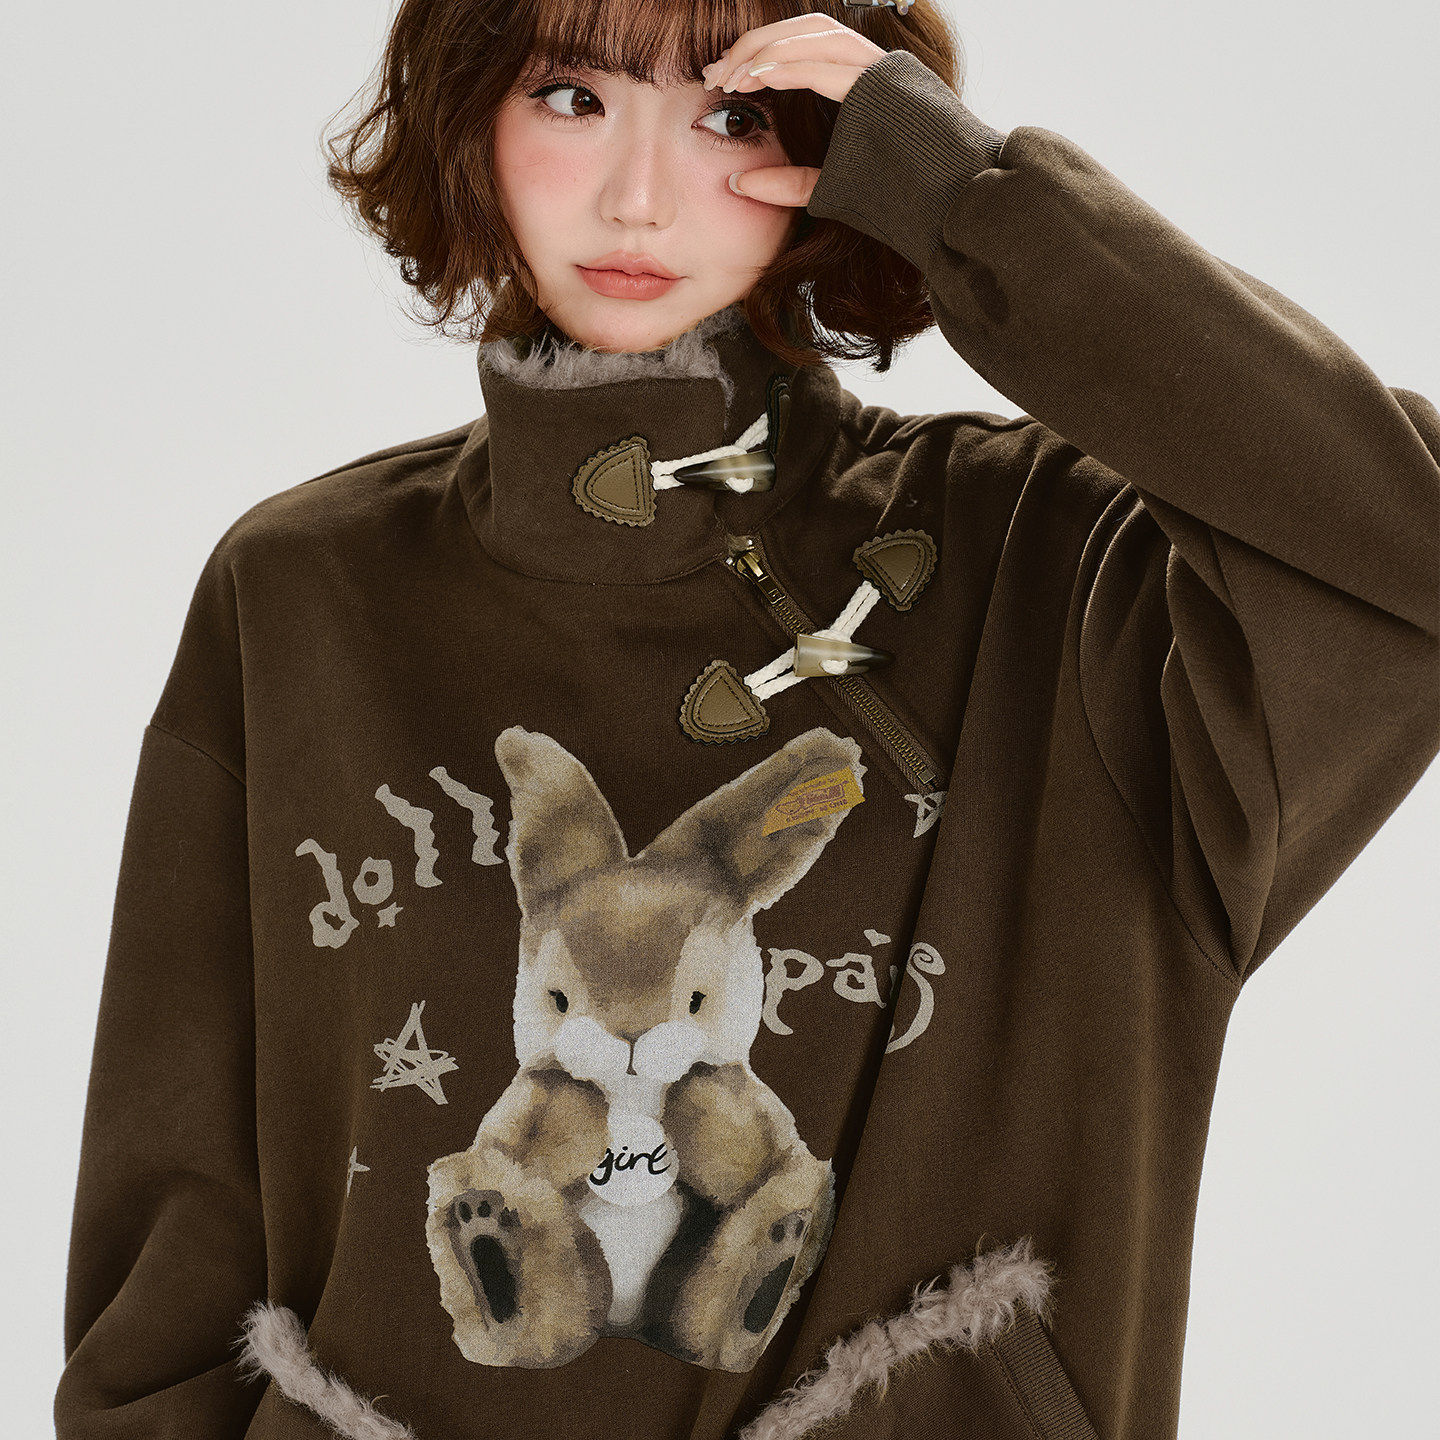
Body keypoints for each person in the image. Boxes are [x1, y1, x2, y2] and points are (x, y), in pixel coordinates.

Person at [54, 3, 1439, 1438]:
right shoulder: (301, 593)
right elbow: (171, 1251)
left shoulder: (1057, 570)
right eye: (572, 97)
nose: (638, 196)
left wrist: (965, 198)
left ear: (838, 144)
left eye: (732, 113)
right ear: (471, 116)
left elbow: (1409, 555)